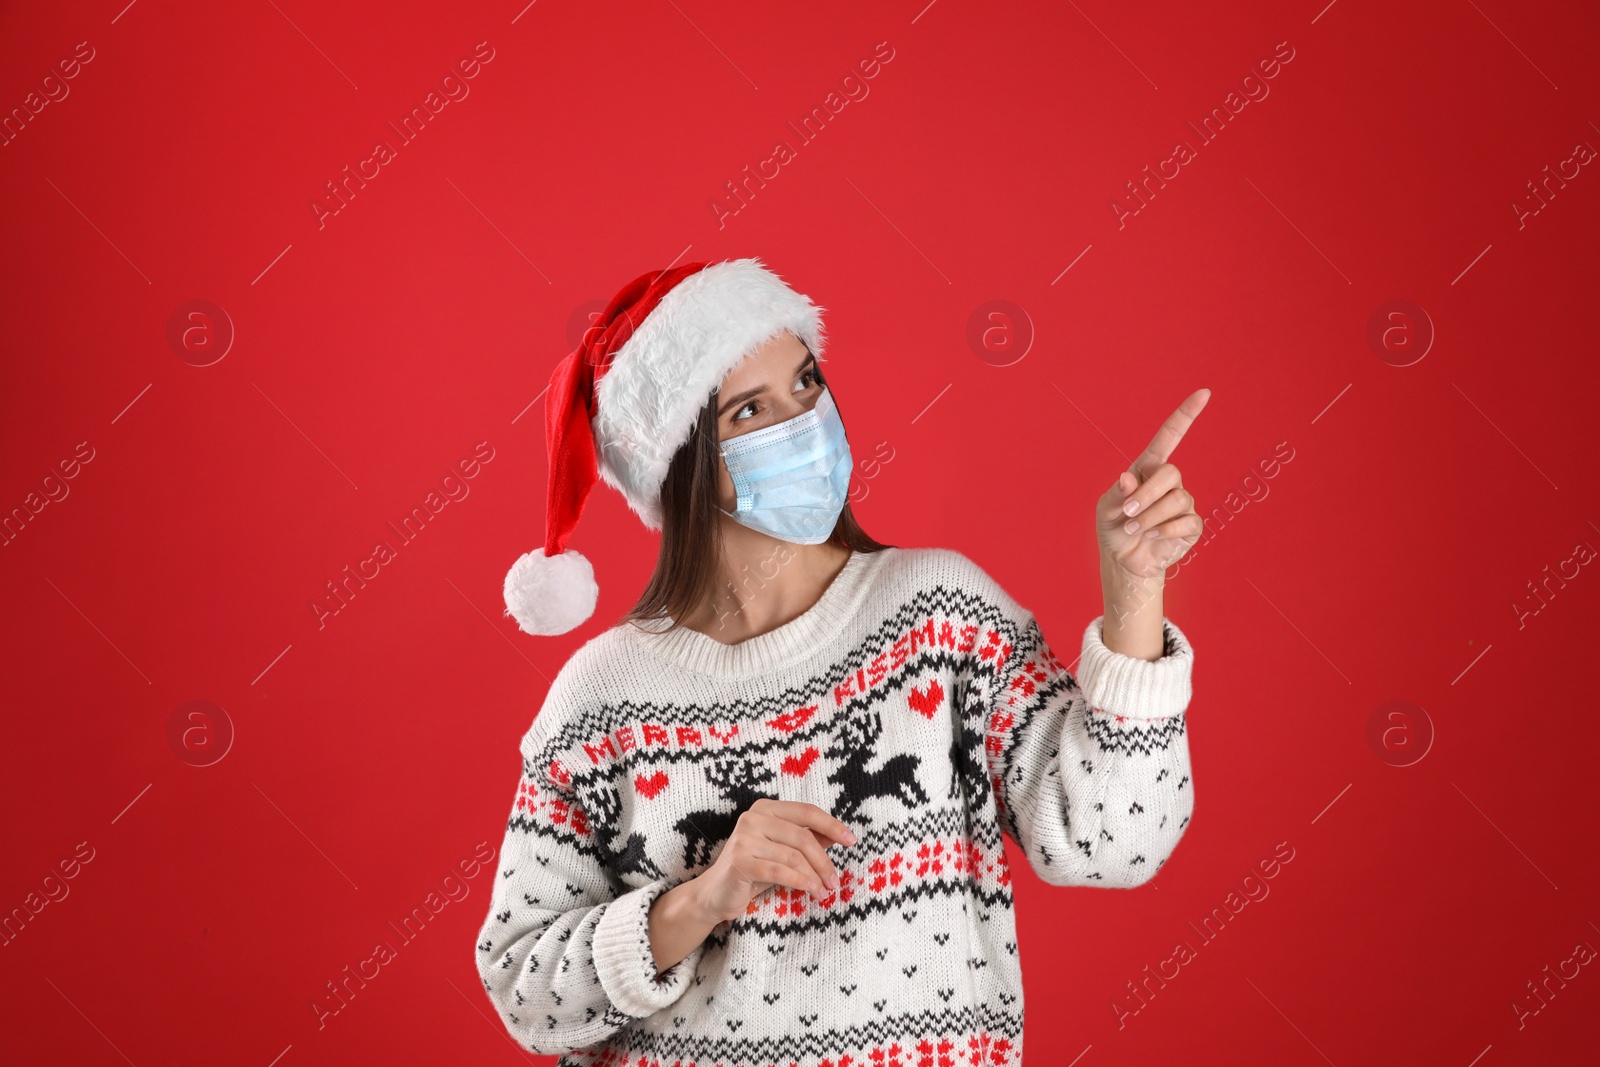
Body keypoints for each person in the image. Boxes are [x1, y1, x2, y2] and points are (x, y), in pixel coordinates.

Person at [475, 256, 1207, 1065]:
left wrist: (1135, 588)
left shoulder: (941, 614)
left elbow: (1115, 839)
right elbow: (525, 991)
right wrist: (700, 899)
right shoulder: (603, 697)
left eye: (806, 383)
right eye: (750, 409)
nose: (801, 421)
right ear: (678, 461)